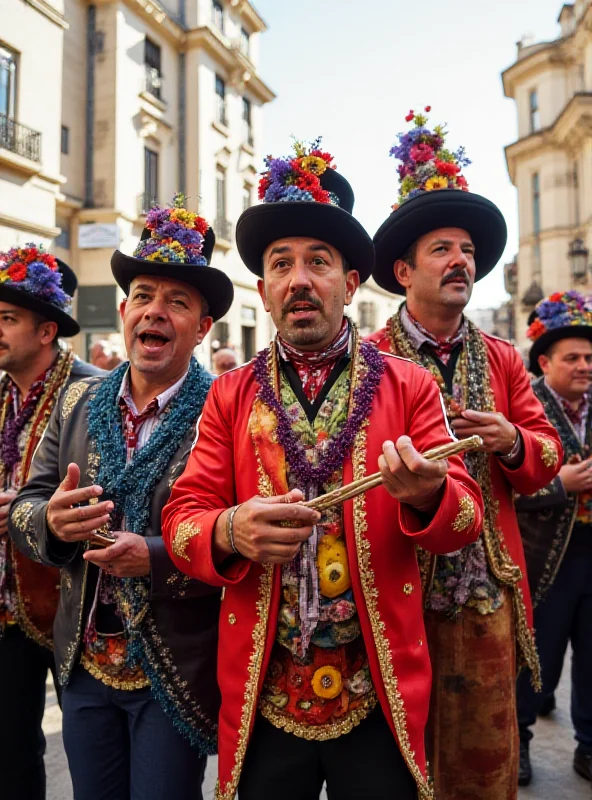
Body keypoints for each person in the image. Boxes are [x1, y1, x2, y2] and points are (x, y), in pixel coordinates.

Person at [161, 140, 484, 800]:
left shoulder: (409, 385)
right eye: (281, 264)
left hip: (381, 686)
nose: (299, 279)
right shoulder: (228, 395)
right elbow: (181, 519)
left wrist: (426, 496)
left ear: (350, 282)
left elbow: (467, 515)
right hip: (263, 690)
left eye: (318, 262)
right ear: (263, 289)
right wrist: (228, 530)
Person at [9, 197, 234, 800]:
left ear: (203, 327)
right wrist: (52, 524)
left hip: (175, 666)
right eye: (143, 296)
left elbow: (233, 536)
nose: (154, 312)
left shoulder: (226, 410)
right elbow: (29, 504)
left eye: (176, 302)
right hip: (83, 666)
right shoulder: (78, 401)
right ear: (124, 309)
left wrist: (157, 556)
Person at [367, 107, 563, 799]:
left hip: (483, 594)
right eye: (443, 249)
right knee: (394, 765)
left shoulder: (505, 358)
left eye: (469, 251)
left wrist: (511, 440)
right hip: (391, 587)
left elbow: (543, 462)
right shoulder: (368, 361)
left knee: (482, 763)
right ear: (402, 269)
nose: (462, 262)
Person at [0, 244, 100, 800]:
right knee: (9, 753)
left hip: (73, 600)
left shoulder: (90, 389)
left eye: (8, 319)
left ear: (45, 332)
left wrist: (26, 506)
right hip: (7, 606)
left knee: (89, 757)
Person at [516, 291, 592, 787]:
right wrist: (560, 484)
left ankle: (589, 744)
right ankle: (517, 737)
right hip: (543, 554)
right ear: (545, 362)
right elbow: (502, 489)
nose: (585, 366)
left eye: (590, 358)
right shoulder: (527, 407)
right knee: (533, 649)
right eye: (573, 358)